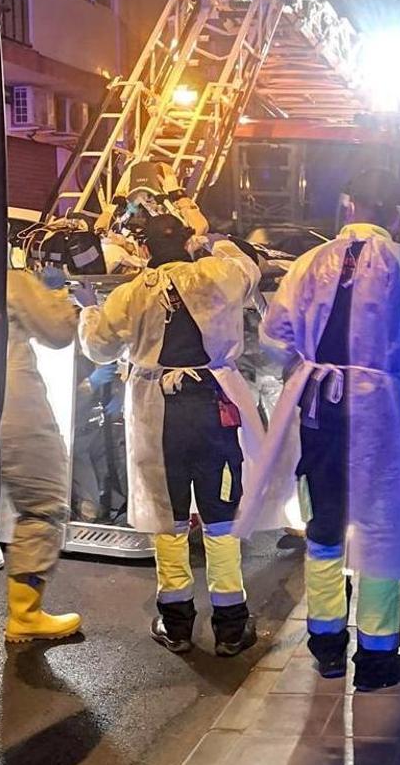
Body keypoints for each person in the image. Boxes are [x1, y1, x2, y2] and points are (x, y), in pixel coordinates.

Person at [235, 168, 400, 690]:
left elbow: (275, 338)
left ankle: (327, 645)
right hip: (380, 410)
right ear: (399, 216)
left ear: (348, 206)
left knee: (325, 523)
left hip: (319, 406)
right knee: (381, 526)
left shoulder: (306, 263)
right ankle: (378, 654)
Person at [78, 200, 263, 657]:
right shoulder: (217, 274)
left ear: (144, 247)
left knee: (169, 518)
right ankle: (230, 624)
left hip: (158, 415)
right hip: (214, 407)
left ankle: (177, 623)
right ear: (184, 242)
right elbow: (249, 265)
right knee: (221, 516)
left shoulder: (130, 292)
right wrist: (209, 239)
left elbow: (100, 348)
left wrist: (86, 310)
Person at [1, 267, 81, 642]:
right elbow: (59, 332)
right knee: (42, 502)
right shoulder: (8, 279)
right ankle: (26, 614)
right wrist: (57, 290)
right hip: (11, 405)